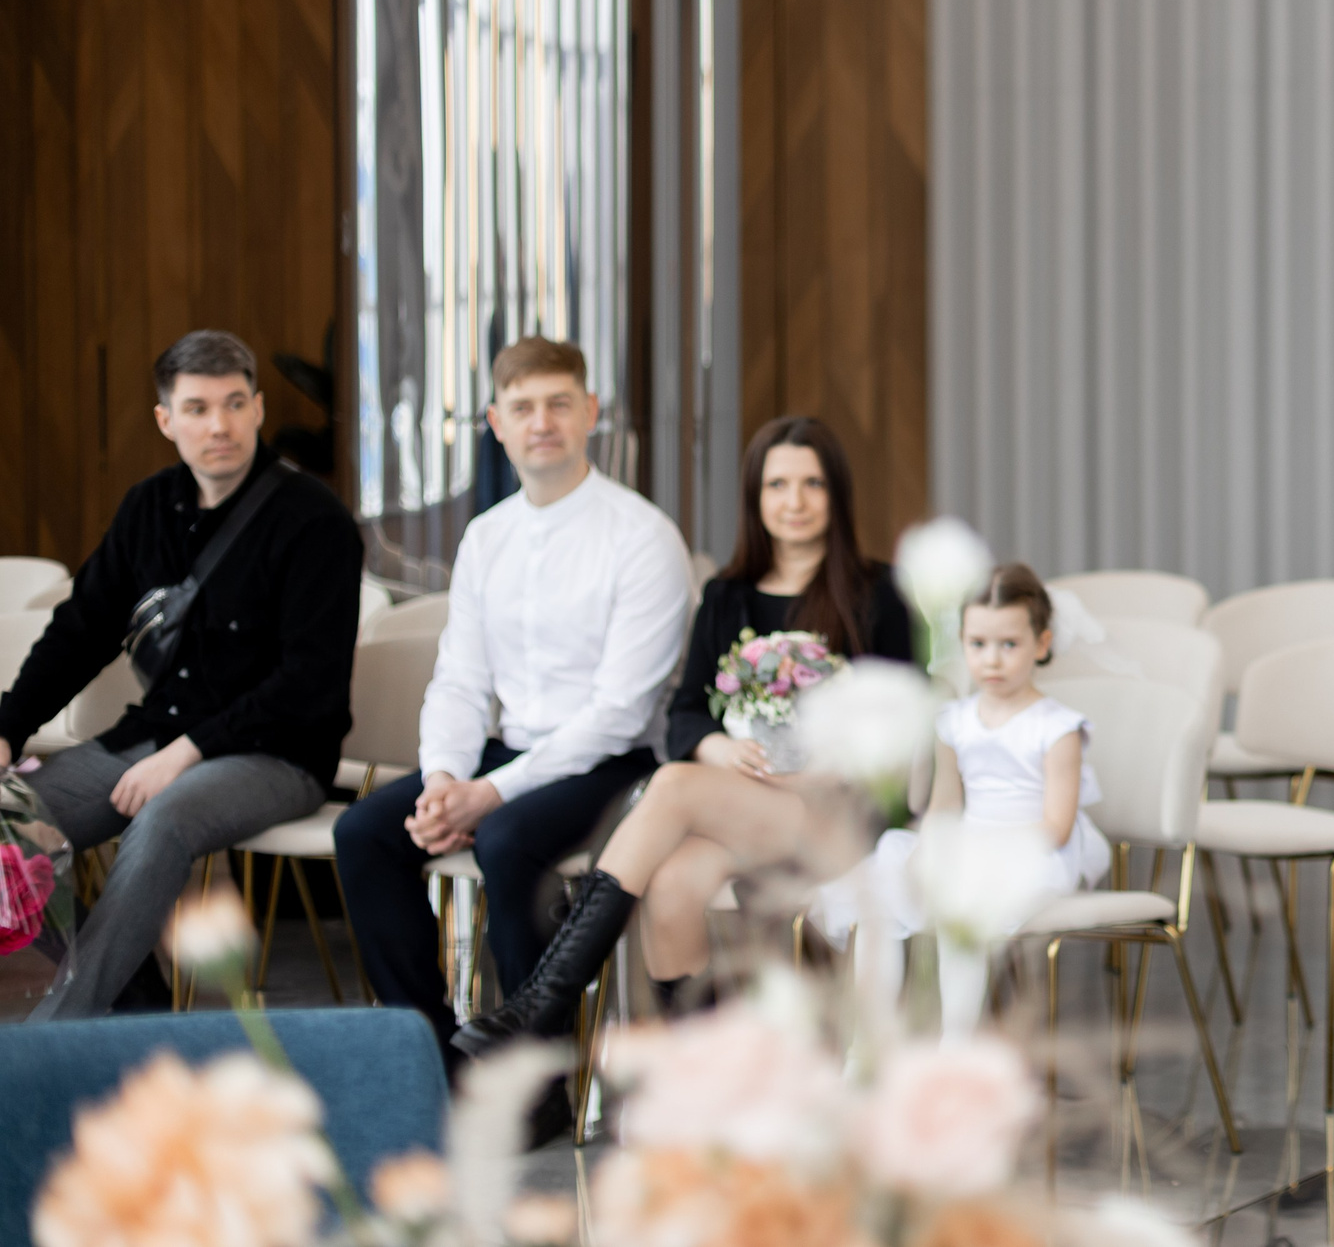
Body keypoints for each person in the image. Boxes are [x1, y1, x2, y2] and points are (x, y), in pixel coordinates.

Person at [448, 414, 911, 1057]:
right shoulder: (727, 596)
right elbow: (686, 714)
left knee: (670, 785)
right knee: (670, 887)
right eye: (778, 485)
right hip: (747, 804)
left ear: (837, 496)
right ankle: (710, 1072)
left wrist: (818, 766)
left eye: (812, 484)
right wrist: (719, 747)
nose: (795, 501)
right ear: (756, 497)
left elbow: (903, 723)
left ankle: (543, 1002)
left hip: (840, 808)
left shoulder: (879, 593)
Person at [334, 337, 692, 1080]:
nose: (542, 421)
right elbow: (460, 679)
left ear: (590, 411)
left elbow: (620, 712)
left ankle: (538, 1080)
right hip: (509, 749)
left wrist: (486, 794)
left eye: (560, 402)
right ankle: (432, 1055)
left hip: (614, 761)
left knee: (506, 838)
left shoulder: (644, 537)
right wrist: (442, 778)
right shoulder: (487, 535)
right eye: (523, 407)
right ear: (496, 421)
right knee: (365, 831)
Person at [0, 330, 361, 1019]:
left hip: (276, 754)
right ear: (167, 419)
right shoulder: (147, 507)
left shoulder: (315, 521)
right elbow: (80, 631)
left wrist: (188, 753)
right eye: (197, 408)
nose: (218, 424)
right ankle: (132, 1004)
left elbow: (306, 683)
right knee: (10, 820)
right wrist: (9, 727)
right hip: (154, 739)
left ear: (257, 408)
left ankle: (54, 1033)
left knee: (163, 820)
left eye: (233, 403)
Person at [816, 563, 1108, 1040]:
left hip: (1032, 851)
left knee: (961, 904)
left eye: (1009, 645)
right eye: (978, 645)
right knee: (881, 894)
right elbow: (944, 806)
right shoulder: (953, 721)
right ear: (962, 642)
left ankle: (955, 1044)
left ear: (1042, 643)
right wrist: (928, 849)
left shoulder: (1057, 728)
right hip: (968, 838)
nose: (992, 660)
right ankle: (869, 1041)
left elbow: (1055, 825)